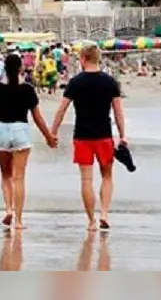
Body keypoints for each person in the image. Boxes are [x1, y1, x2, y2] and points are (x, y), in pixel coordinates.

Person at [50, 45, 127, 232]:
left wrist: (53, 132)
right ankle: (104, 214)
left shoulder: (76, 82)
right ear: (98, 58)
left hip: (82, 136)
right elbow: (118, 112)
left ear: (83, 59)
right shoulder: (110, 82)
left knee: (86, 180)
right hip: (104, 135)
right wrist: (123, 135)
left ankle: (92, 221)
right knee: (107, 176)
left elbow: (62, 109)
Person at [0, 54, 57, 230]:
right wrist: (48, 137)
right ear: (21, 68)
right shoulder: (27, 89)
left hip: (0, 129)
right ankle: (18, 221)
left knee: (5, 175)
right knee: (19, 178)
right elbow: (37, 117)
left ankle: (8, 209)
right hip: (20, 130)